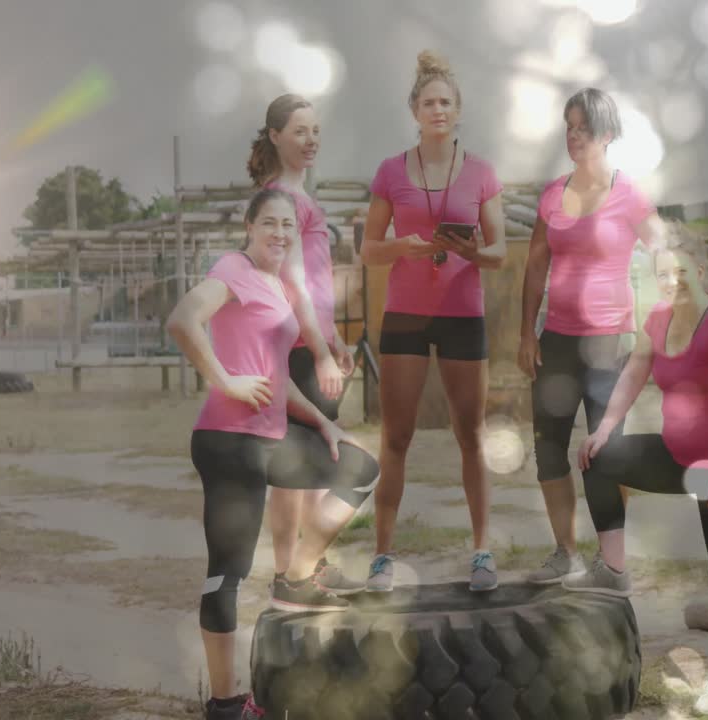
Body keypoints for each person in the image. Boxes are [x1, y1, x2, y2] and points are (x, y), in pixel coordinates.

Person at [168, 189, 379, 720]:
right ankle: (224, 703)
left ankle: (297, 577)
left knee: (359, 466)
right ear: (248, 225)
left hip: (271, 437)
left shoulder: (278, 285)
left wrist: (326, 422)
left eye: (287, 224)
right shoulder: (233, 268)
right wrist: (226, 381)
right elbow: (183, 320)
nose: (280, 233)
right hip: (228, 442)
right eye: (269, 223)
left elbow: (278, 378)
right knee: (228, 573)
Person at [519, 87, 708, 584]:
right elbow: (533, 267)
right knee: (548, 448)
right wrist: (526, 333)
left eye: (583, 128)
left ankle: (611, 563)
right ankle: (564, 553)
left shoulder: (627, 194)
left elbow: (667, 249)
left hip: (608, 343)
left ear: (607, 135)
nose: (573, 136)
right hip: (556, 340)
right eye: (568, 127)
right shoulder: (551, 194)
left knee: (602, 451)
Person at [569, 223, 708, 715]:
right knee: (596, 458)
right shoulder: (659, 317)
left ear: (699, 270)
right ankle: (613, 569)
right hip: (675, 458)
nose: (670, 282)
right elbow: (634, 371)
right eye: (660, 275)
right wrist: (607, 426)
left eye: (678, 273)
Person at [360, 50, 507, 592]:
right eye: (428, 102)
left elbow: (499, 254)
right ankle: (381, 556)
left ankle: (482, 553)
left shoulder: (482, 172)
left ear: (457, 110)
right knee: (396, 435)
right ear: (415, 111)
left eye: (446, 102)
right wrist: (402, 245)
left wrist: (466, 250)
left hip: (461, 316)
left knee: (471, 435)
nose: (437, 109)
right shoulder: (391, 171)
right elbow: (370, 251)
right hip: (404, 316)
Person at [246, 93, 360, 594]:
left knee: (317, 459)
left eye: (314, 130)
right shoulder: (282, 200)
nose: (310, 140)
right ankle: (286, 572)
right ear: (275, 137)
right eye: (298, 131)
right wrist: (316, 350)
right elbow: (292, 282)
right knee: (293, 465)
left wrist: (335, 340)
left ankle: (311, 565)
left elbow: (317, 279)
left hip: (315, 340)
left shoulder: (300, 195)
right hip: (294, 345)